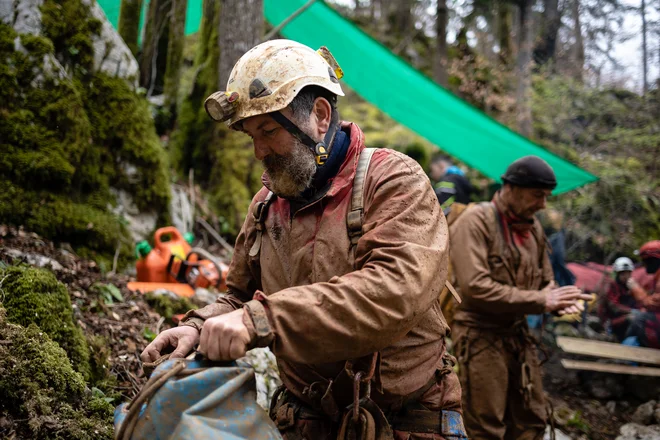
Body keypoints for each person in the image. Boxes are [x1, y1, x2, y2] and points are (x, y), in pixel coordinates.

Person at [141, 40, 466, 439]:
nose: (259, 150)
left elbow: (393, 292)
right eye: (250, 135)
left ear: (320, 115)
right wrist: (197, 325)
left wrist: (259, 320)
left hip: (407, 420)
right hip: (307, 417)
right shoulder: (266, 205)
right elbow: (240, 297)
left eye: (269, 130)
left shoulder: (394, 181)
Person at [449, 156, 591, 440]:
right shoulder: (475, 221)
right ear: (511, 188)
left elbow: (545, 279)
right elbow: (475, 288)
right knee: (485, 424)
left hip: (518, 335)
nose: (543, 205)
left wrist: (561, 301)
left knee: (531, 418)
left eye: (547, 196)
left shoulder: (533, 227)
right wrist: (542, 301)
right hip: (479, 336)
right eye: (537, 195)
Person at [602, 257, 648, 342]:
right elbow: (614, 307)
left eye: (628, 274)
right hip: (613, 321)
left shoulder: (630, 287)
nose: (626, 277)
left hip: (627, 317)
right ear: (617, 274)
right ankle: (622, 341)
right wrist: (631, 311)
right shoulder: (612, 286)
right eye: (623, 274)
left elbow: (640, 302)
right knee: (633, 318)